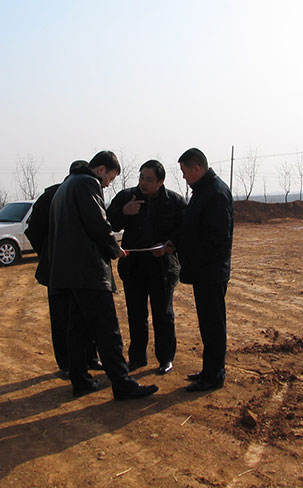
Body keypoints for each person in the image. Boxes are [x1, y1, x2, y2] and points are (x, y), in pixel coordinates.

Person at [47, 150, 158, 400]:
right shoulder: (88, 183)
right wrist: (113, 247)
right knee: (108, 330)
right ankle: (123, 384)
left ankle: (81, 380)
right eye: (110, 178)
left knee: (78, 329)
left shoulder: (66, 185)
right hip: (89, 271)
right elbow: (97, 222)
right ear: (101, 170)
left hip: (69, 272)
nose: (108, 184)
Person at [24, 160, 103, 378]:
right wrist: (48, 253)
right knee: (61, 318)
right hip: (57, 269)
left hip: (81, 269)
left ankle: (90, 357)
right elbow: (34, 229)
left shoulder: (86, 192)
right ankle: (66, 364)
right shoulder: (52, 195)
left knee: (86, 316)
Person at [107, 160, 187, 375]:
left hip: (162, 267)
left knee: (163, 315)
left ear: (161, 182)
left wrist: (170, 245)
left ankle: (165, 358)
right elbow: (108, 222)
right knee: (136, 314)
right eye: (141, 177)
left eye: (149, 180)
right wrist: (125, 211)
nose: (143, 183)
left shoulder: (174, 202)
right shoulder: (127, 197)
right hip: (133, 266)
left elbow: (185, 230)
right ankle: (137, 358)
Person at [164, 148, 234, 392]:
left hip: (211, 272)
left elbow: (217, 239)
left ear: (197, 168)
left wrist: (192, 255)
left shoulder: (215, 193)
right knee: (208, 324)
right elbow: (192, 228)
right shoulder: (204, 191)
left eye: (185, 172)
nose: (183, 177)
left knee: (214, 325)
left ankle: (214, 376)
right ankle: (209, 370)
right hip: (204, 271)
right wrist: (177, 243)